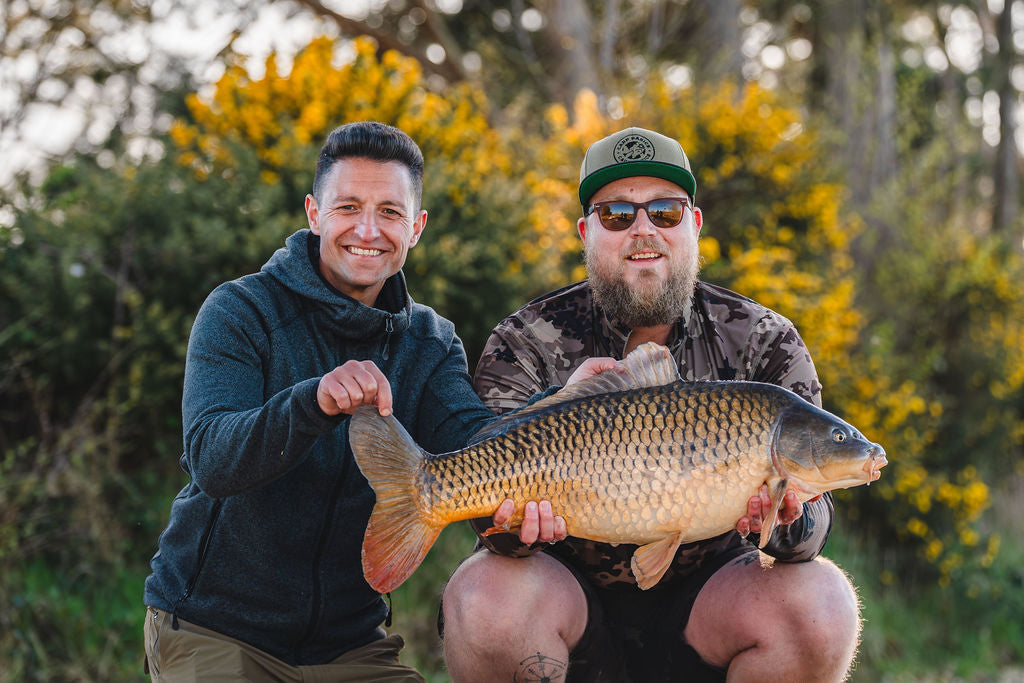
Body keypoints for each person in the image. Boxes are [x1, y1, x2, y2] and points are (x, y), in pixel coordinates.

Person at [440, 127, 861, 682]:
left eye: (665, 211)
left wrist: (787, 519)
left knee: (822, 605)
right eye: (617, 214)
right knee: (483, 599)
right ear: (586, 232)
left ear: (694, 224)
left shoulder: (763, 339)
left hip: (716, 605)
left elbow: (815, 527)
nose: (644, 230)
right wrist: (516, 524)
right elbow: (484, 509)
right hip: (562, 602)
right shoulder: (526, 339)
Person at [143, 121, 496, 681]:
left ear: (416, 227)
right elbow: (212, 458)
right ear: (314, 213)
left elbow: (477, 441)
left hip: (349, 646)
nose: (367, 229)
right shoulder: (240, 310)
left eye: (390, 212)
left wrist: (565, 405)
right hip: (213, 629)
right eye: (348, 207)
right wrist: (311, 402)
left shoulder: (432, 341)